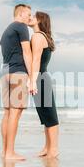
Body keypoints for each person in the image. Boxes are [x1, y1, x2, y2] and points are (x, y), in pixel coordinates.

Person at [0, 4, 32, 160]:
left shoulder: (6, 31)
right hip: (18, 71)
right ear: (20, 13)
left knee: (7, 113)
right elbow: (26, 52)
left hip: (5, 72)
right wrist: (32, 77)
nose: (29, 18)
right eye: (28, 14)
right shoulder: (21, 27)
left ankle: (5, 151)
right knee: (15, 112)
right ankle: (10, 153)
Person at [28, 11, 60, 158]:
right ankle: (47, 148)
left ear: (40, 20)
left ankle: (53, 149)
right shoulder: (44, 36)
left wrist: (32, 81)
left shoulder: (37, 36)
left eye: (33, 17)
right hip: (42, 77)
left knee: (50, 116)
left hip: (40, 77)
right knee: (46, 116)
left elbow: (36, 60)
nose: (30, 18)